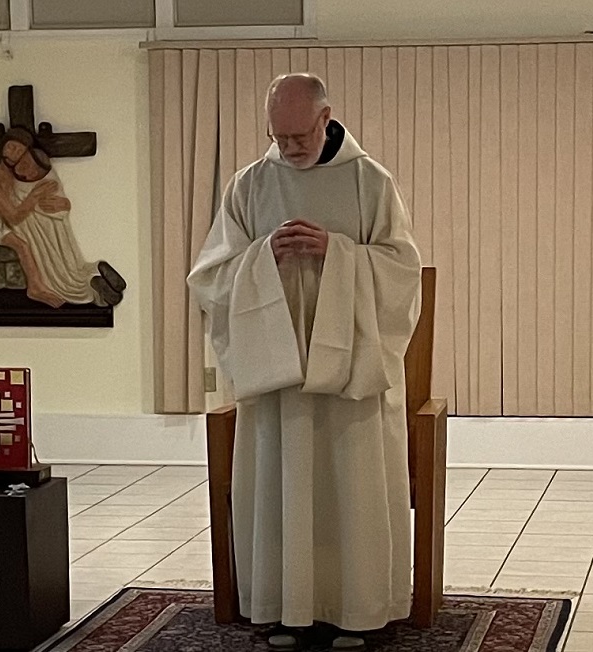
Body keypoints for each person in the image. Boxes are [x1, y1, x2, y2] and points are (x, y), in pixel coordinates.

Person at [187, 73, 421, 651]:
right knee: (282, 488)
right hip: (280, 377)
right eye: (278, 136)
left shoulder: (370, 181)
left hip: (351, 378)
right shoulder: (250, 184)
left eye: (298, 134)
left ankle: (358, 612)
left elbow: (402, 270)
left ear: (326, 117)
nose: (289, 148)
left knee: (351, 488)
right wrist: (262, 256)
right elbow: (211, 275)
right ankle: (286, 610)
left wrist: (337, 253)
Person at [10, 147, 126, 306]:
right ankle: (95, 274)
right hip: (41, 231)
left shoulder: (47, 180)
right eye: (23, 161)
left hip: (49, 233)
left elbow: (55, 202)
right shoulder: (17, 184)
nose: (23, 166)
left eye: (29, 165)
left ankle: (93, 286)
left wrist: (62, 205)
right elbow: (22, 208)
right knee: (70, 267)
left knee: (59, 275)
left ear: (36, 173)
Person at [0, 128, 64, 307]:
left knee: (43, 238)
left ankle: (61, 281)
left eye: (19, 151)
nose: (13, 153)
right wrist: (35, 196)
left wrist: (61, 203)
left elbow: (37, 190)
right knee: (22, 245)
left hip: (6, 222)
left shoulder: (16, 172)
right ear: (3, 145)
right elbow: (13, 215)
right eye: (11, 147)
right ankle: (35, 288)